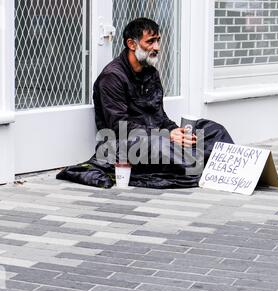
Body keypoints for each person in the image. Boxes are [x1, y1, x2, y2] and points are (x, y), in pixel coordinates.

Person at [57, 18, 234, 189]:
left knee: (212, 129)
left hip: (158, 138)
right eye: (150, 42)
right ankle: (208, 166)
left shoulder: (151, 72)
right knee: (161, 145)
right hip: (122, 144)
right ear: (131, 44)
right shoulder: (112, 77)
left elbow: (160, 116)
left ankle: (223, 166)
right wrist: (166, 136)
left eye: (158, 41)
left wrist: (174, 130)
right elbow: (119, 127)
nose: (156, 47)